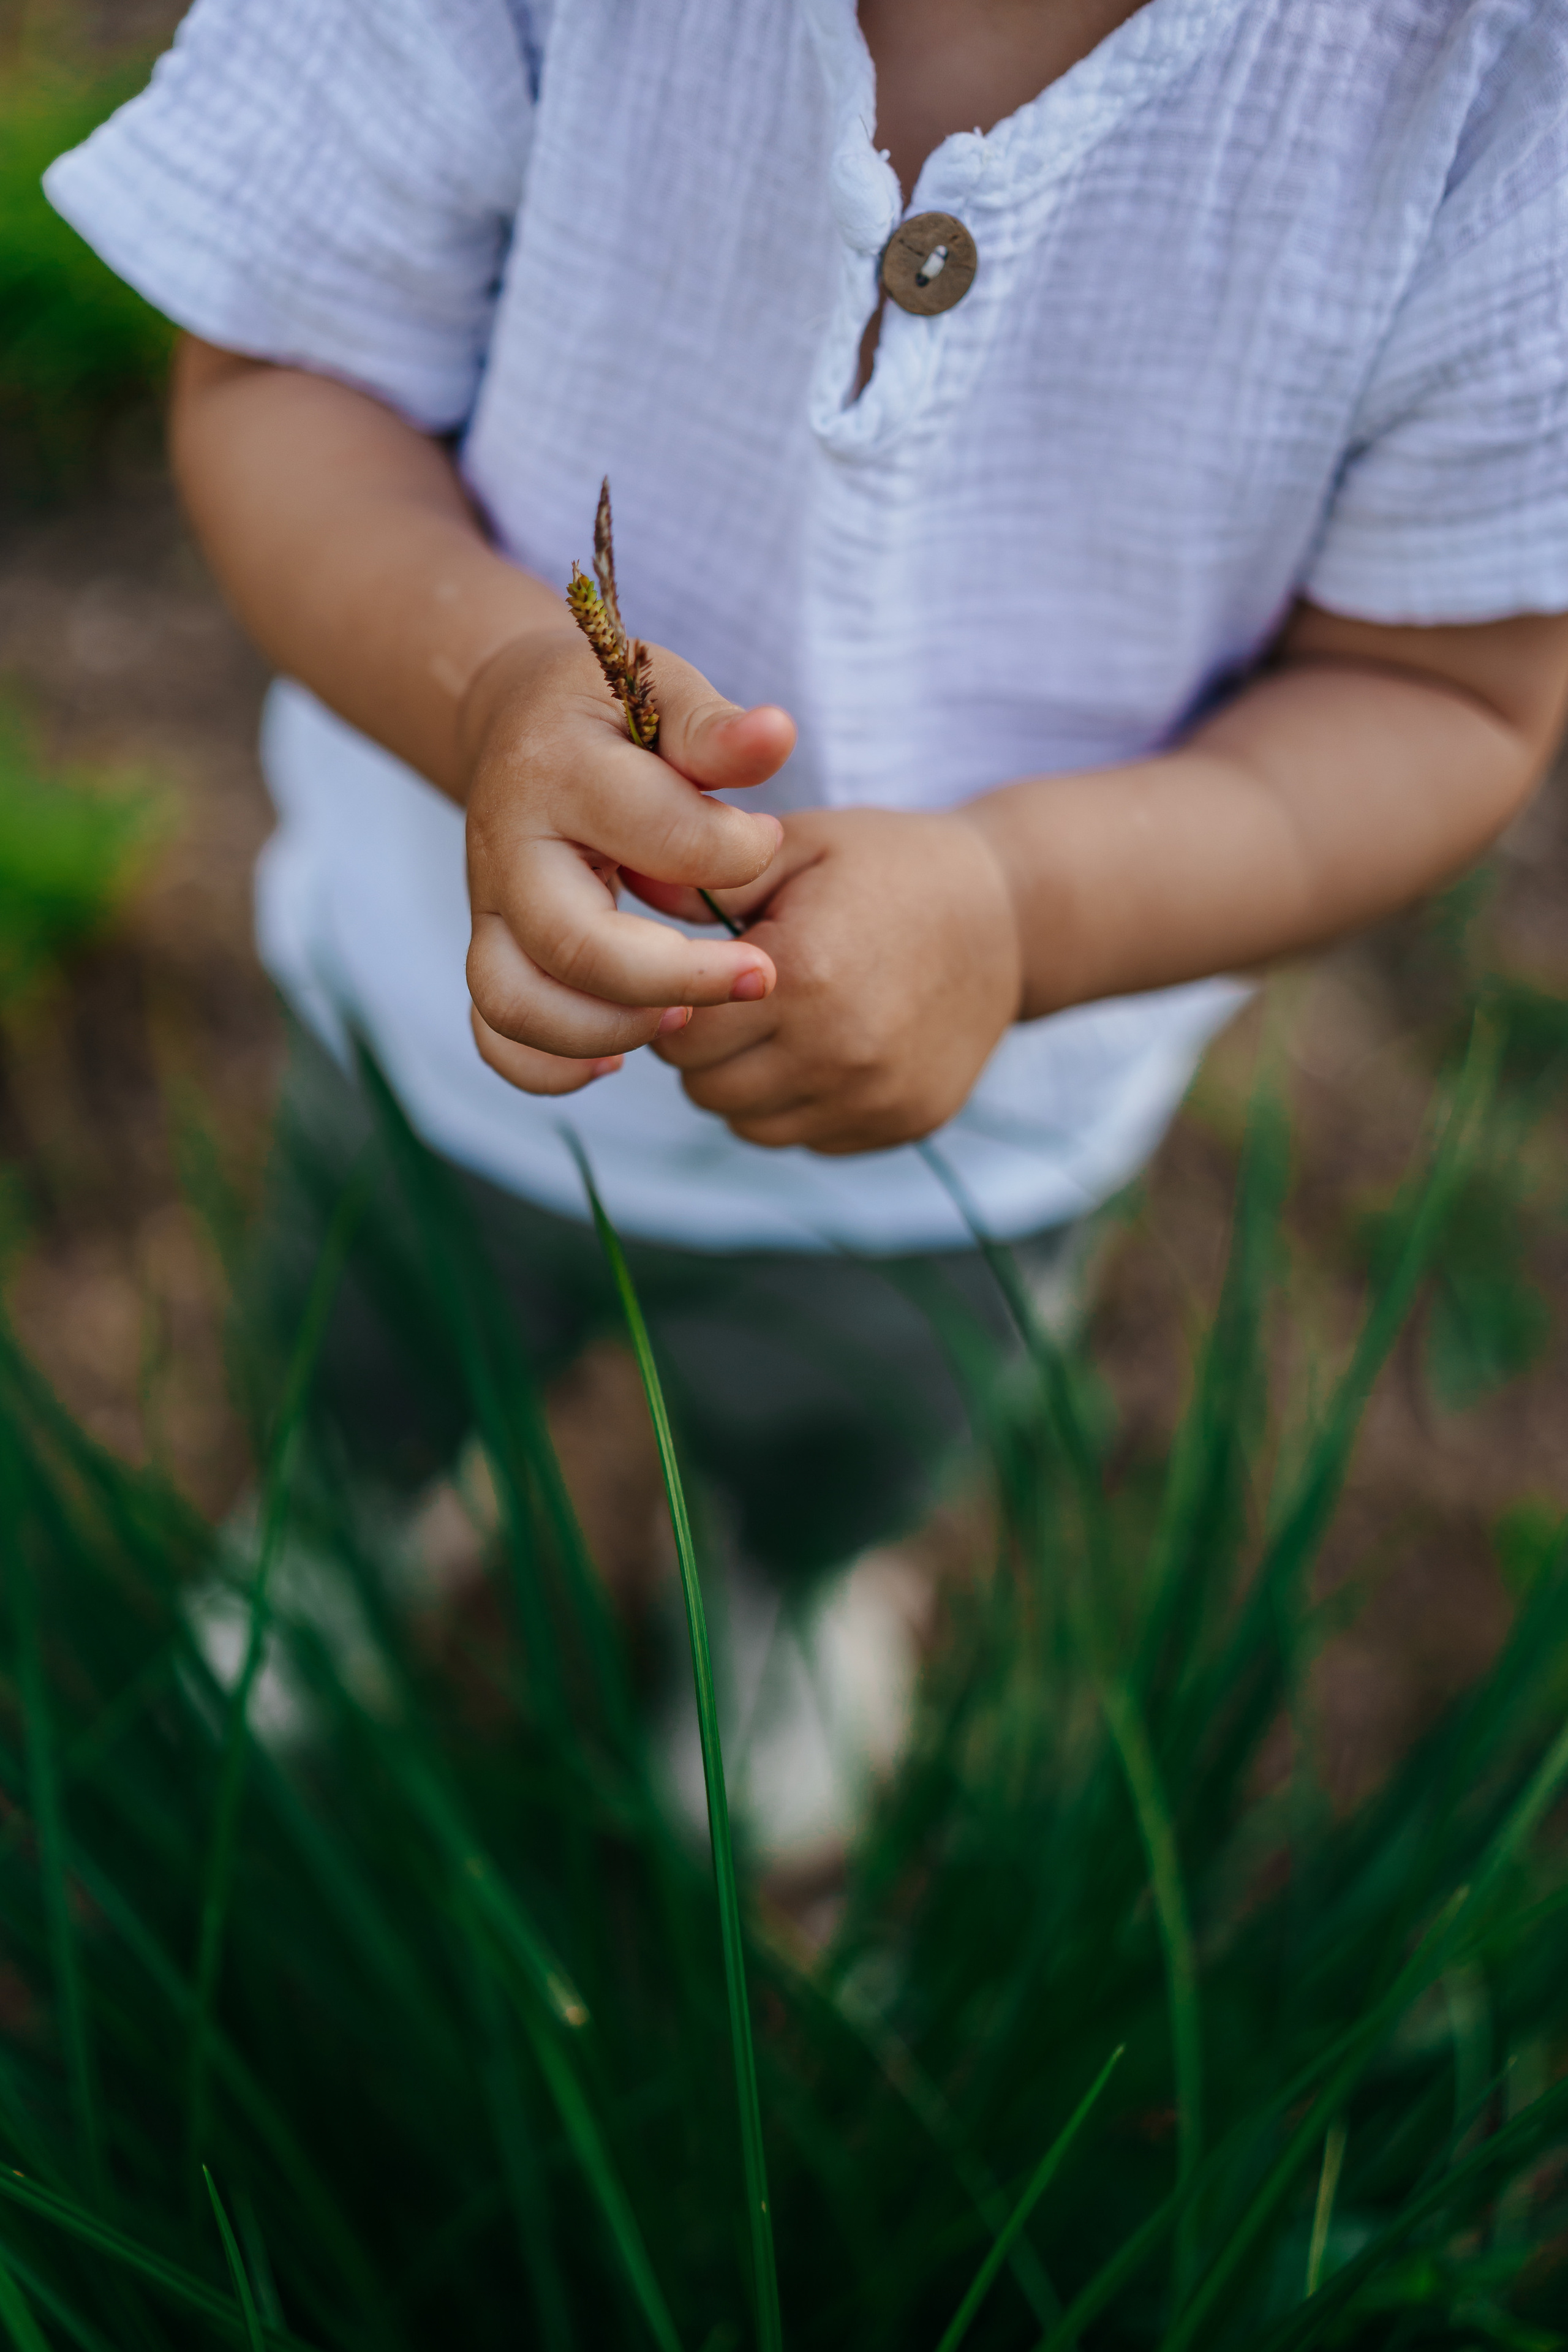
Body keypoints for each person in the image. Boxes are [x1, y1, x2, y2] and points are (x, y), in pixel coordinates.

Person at [44, 0, 1568, 1581]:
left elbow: (1444, 693)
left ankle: (786, 1595)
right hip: (436, 1018)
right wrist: (493, 687)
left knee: (849, 1448)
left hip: (966, 1146)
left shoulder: (1510, 95)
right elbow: (293, 376)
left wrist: (1023, 912)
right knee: (369, 1355)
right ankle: (338, 1547)